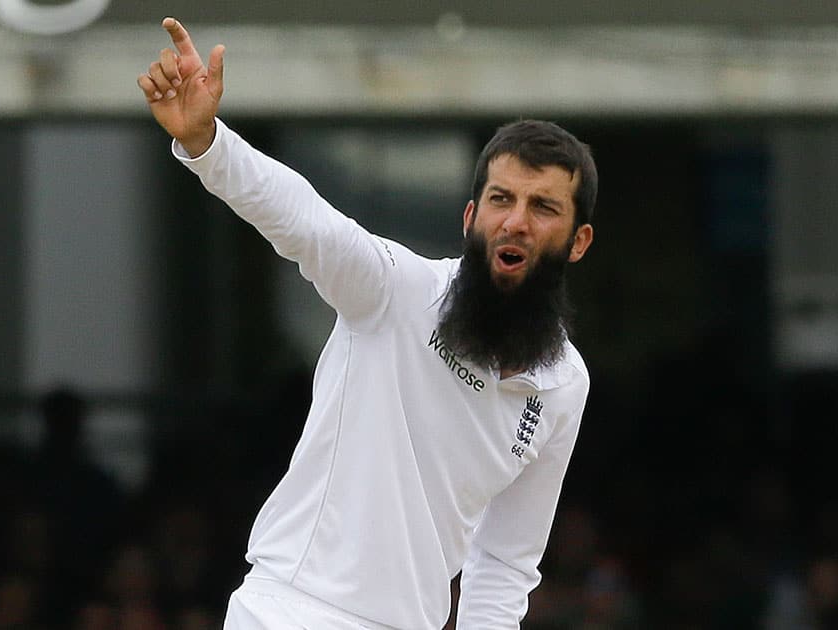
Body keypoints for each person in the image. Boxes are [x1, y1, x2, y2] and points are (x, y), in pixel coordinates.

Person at [137, 17, 597, 630]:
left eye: (543, 207)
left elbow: (506, 562)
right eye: (501, 200)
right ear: (470, 217)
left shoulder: (565, 384)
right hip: (286, 612)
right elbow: (304, 221)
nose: (516, 222)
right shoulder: (396, 290)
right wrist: (207, 144)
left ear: (578, 241)